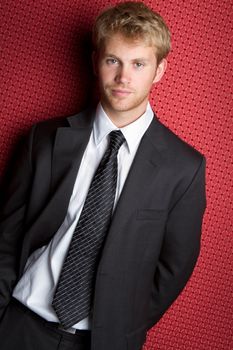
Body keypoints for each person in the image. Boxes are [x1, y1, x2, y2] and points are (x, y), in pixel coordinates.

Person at [0, 2, 206, 350]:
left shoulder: (183, 168)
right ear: (96, 61)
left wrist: (121, 329)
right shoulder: (44, 140)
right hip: (19, 326)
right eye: (113, 60)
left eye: (138, 64)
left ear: (159, 70)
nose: (123, 77)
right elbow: (7, 237)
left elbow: (171, 272)